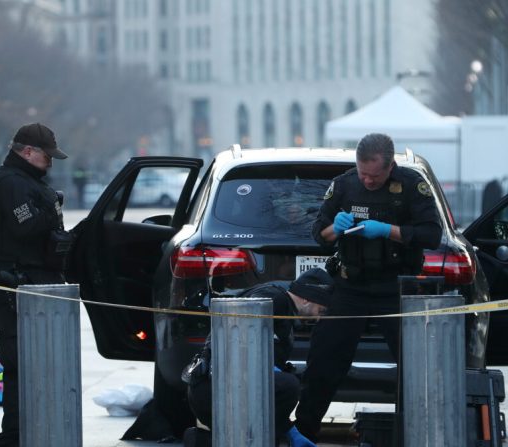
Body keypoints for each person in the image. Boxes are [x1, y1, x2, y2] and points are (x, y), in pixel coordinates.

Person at [294, 133, 443, 442]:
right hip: (351, 287)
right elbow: (318, 234)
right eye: (363, 173)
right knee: (324, 362)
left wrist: (388, 231)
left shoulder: (412, 185)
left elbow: (431, 234)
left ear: (390, 166)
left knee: (415, 366)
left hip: (396, 288)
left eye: (375, 175)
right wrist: (334, 229)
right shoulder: (345, 185)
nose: (368, 180)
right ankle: (303, 432)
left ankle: (420, 433)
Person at [0, 122, 70, 447]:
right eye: (47, 156)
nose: (50, 163)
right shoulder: (12, 183)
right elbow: (26, 226)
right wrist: (52, 209)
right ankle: (17, 435)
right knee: (21, 363)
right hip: (16, 281)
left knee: (37, 362)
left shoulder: (23, 181)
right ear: (28, 152)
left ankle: (31, 431)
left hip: (29, 278)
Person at [182, 268, 334, 447]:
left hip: (223, 387)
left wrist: (290, 431)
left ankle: (205, 441)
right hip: (214, 389)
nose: (318, 318)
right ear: (307, 298)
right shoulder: (272, 300)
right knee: (288, 386)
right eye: (320, 309)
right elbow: (233, 340)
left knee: (278, 395)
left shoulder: (282, 306)